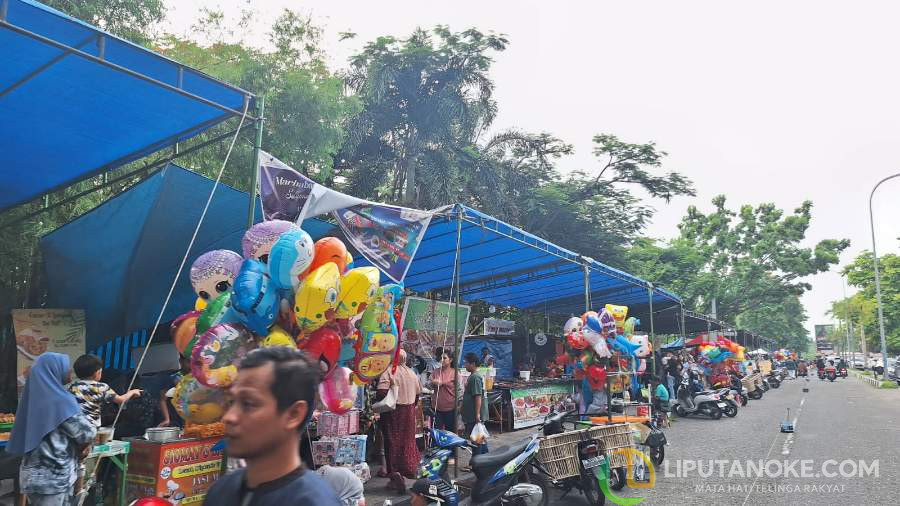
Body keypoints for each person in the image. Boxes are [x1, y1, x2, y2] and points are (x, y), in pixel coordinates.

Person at [204, 347, 340, 506]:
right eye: (231, 402)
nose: (229, 417)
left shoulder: (313, 501)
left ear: (293, 415)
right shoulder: (221, 491)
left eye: (248, 404)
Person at [8, 353, 97, 506]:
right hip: (54, 478)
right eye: (66, 367)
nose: (69, 370)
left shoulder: (31, 399)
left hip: (31, 477)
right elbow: (86, 433)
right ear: (54, 370)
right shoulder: (60, 400)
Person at [376, 349, 422, 493]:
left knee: (392, 443)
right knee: (406, 442)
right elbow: (417, 395)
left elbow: (381, 393)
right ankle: (405, 471)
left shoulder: (389, 371)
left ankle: (395, 475)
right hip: (409, 412)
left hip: (393, 413)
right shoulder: (412, 373)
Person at [67, 354, 142, 427]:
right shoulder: (101, 387)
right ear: (97, 373)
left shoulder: (72, 386)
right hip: (92, 427)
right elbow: (121, 400)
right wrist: (132, 392)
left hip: (76, 426)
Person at [461, 353, 489, 456]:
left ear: (472, 363)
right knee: (480, 438)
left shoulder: (475, 377)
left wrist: (477, 415)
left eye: (466, 363)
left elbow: (478, 396)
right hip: (472, 415)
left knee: (476, 440)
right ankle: (486, 459)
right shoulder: (473, 376)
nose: (465, 365)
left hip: (474, 415)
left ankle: (476, 463)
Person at [159, 356, 192, 428]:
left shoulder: (197, 377)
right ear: (181, 361)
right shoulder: (174, 378)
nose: (191, 365)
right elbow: (162, 400)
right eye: (188, 362)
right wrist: (167, 419)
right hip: (178, 421)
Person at [430, 348, 458, 432]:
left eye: (445, 358)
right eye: (441, 358)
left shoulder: (455, 373)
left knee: (450, 433)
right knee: (437, 433)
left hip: (450, 409)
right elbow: (428, 385)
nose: (442, 360)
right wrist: (432, 383)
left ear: (451, 360)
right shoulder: (436, 372)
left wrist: (442, 383)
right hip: (436, 408)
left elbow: (460, 390)